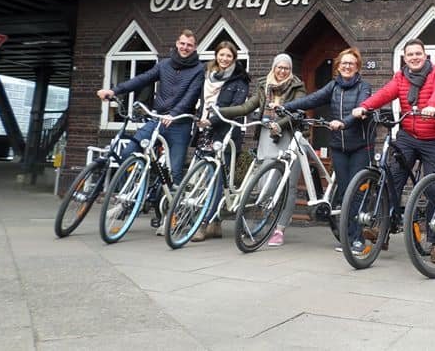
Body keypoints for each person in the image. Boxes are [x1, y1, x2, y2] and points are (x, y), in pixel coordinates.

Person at [97, 29, 205, 234]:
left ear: (194, 48)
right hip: (156, 119)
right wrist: (115, 90)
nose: (185, 48)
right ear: (177, 43)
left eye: (189, 45)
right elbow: (142, 79)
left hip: (179, 123)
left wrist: (174, 113)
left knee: (174, 173)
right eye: (182, 43)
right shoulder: (164, 64)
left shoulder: (199, 69)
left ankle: (171, 216)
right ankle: (128, 200)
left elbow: (191, 96)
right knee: (129, 152)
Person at [352, 38, 435, 258]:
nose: (414, 57)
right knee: (392, 179)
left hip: (434, 137)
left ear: (425, 55)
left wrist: (433, 105)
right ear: (404, 58)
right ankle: (383, 230)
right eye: (410, 54)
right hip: (407, 135)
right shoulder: (401, 76)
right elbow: (386, 93)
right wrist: (364, 106)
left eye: (418, 53)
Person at [282, 47, 372, 251]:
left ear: (357, 67)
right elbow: (312, 99)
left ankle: (358, 239)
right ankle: (347, 237)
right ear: (338, 67)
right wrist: (288, 107)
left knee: (355, 191)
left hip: (359, 146)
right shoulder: (333, 87)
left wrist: (344, 122)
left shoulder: (364, 87)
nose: (347, 66)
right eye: (343, 63)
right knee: (343, 192)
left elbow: (361, 109)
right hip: (338, 147)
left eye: (351, 63)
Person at [213, 53, 306, 247]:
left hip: (289, 138)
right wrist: (220, 111)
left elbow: (297, 111)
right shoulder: (265, 85)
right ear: (273, 68)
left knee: (289, 186)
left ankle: (280, 229)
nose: (282, 71)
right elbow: (247, 107)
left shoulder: (298, 86)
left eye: (286, 68)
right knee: (266, 186)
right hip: (267, 138)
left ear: (290, 70)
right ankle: (262, 223)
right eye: (279, 67)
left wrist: (279, 124)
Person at [192, 41, 251, 242]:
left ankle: (205, 223)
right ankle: (216, 224)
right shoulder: (206, 74)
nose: (224, 59)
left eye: (229, 56)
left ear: (234, 58)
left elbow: (235, 109)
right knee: (205, 178)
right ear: (216, 55)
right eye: (222, 55)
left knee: (216, 180)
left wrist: (212, 119)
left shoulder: (240, 80)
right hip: (204, 131)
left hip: (224, 134)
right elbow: (200, 101)